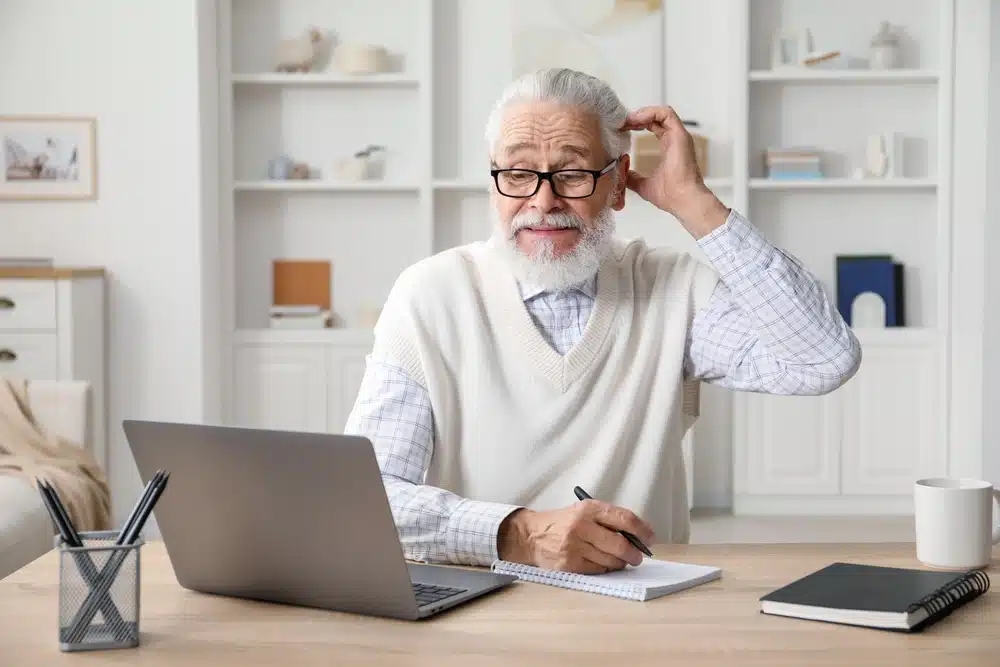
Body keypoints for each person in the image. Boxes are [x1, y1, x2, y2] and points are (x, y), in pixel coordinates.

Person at [344, 68, 861, 575]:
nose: (543, 203)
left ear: (616, 186)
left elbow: (822, 360)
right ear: (494, 182)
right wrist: (519, 533)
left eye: (572, 174)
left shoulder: (673, 288)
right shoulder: (429, 294)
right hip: (483, 601)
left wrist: (695, 204)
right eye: (519, 174)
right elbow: (367, 496)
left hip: (644, 599)